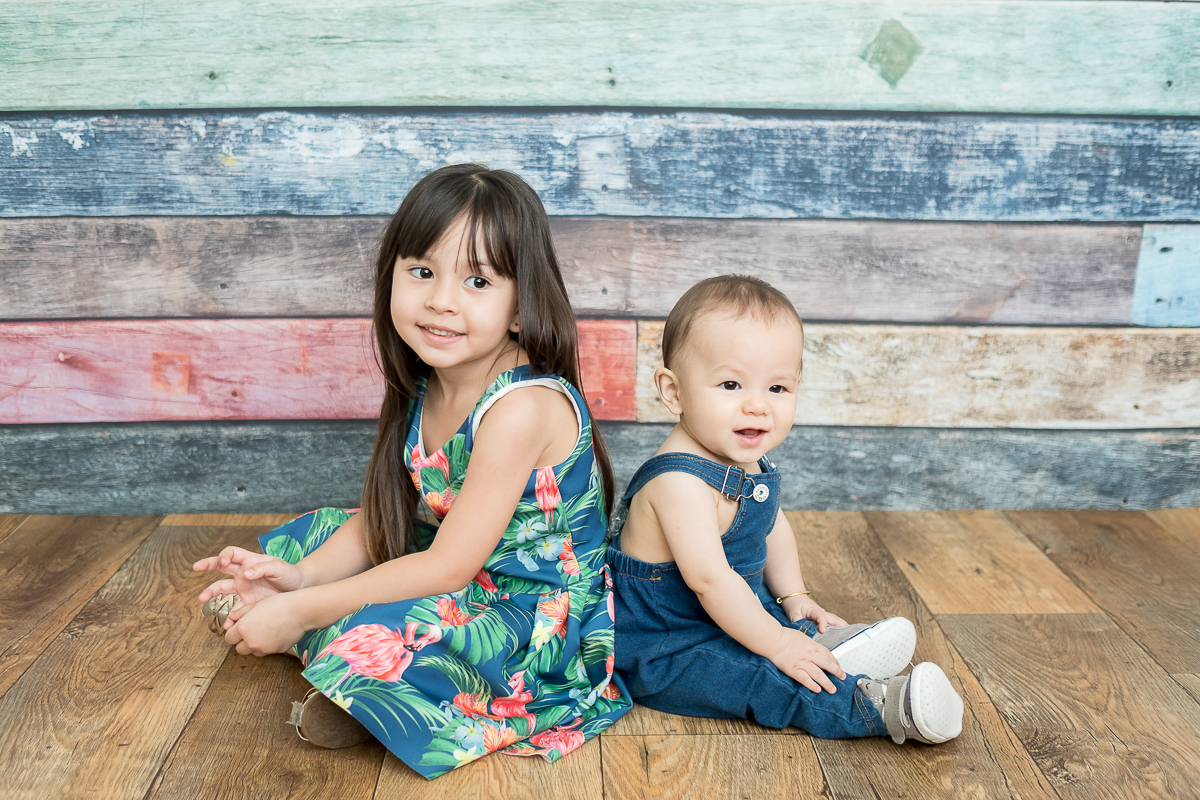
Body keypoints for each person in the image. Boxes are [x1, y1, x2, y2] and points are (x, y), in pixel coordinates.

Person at [193, 164, 631, 779]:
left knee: (392, 630)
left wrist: (308, 608)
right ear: (390, 276)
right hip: (462, 566)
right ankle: (297, 617)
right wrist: (300, 578)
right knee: (317, 532)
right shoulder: (427, 381)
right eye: (422, 272)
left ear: (519, 306)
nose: (441, 301)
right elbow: (387, 517)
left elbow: (448, 568)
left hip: (533, 615)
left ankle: (347, 676)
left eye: (477, 281)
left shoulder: (522, 407)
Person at [606, 275, 963, 745]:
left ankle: (819, 648)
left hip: (731, 615)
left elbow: (771, 524)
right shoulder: (678, 483)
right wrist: (777, 643)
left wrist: (794, 595)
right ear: (674, 392)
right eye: (731, 384)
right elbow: (710, 580)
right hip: (665, 647)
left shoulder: (742, 458)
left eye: (778, 388)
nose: (757, 406)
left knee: (776, 636)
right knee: (760, 677)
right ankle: (882, 705)